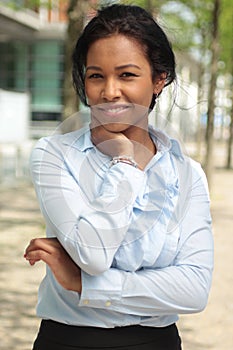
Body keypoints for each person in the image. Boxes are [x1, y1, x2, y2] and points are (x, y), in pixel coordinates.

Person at [24, 4, 214, 350]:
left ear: (159, 79)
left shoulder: (187, 173)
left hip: (157, 343)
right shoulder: (54, 155)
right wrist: (125, 163)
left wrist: (87, 285)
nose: (109, 91)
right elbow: (94, 255)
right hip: (68, 341)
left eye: (126, 75)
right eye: (96, 75)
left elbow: (194, 289)